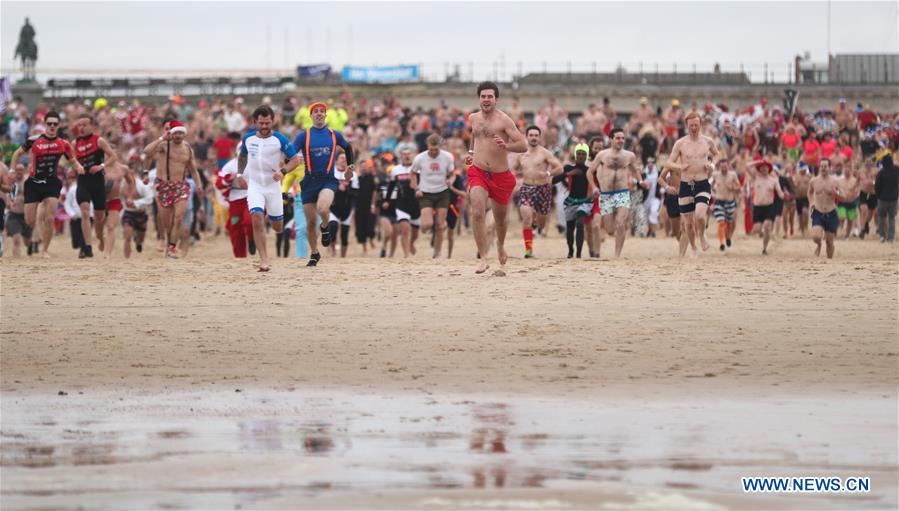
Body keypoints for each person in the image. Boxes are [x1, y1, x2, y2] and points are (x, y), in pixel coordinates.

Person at [463, 81, 527, 273]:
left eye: (490, 96)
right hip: (479, 172)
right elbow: (474, 136)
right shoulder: (473, 118)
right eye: (483, 96)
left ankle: (500, 245)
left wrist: (506, 146)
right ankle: (483, 257)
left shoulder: (504, 120)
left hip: (500, 176)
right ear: (479, 98)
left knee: (500, 220)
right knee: (477, 212)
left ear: (496, 99)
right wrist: (471, 152)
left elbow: (523, 145)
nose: (486, 99)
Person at [10, 111, 84, 257]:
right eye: (49, 123)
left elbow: (72, 160)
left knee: (50, 218)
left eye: (55, 124)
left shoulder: (63, 144)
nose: (52, 126)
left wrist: (79, 167)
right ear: (45, 124)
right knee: (29, 220)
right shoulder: (33, 140)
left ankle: (45, 250)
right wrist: (12, 170)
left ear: (58, 125)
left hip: (51, 182)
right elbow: (17, 153)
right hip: (33, 182)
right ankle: (34, 237)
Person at [237, 105, 301, 271]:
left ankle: (266, 218)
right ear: (255, 122)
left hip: (273, 187)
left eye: (267, 123)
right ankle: (264, 260)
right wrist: (239, 175)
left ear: (273, 121)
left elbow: (295, 160)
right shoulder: (248, 138)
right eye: (261, 123)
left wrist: (282, 171)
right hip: (255, 186)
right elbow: (242, 156)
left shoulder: (280, 139)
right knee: (257, 217)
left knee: (277, 227)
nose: (264, 126)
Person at [293, 102, 355, 267]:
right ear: (311, 116)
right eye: (316, 111)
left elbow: (348, 148)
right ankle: (314, 253)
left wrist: (350, 166)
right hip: (309, 181)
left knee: (322, 208)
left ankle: (325, 227)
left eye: (322, 111)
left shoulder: (334, 134)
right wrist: (289, 161)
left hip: (328, 179)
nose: (319, 113)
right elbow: (291, 152)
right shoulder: (303, 136)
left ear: (326, 115)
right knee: (310, 223)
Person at [142, 120, 203, 259]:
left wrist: (199, 185)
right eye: (176, 133)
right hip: (164, 186)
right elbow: (147, 152)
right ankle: (167, 243)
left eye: (181, 133)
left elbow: (193, 170)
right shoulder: (164, 145)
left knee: (179, 218)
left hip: (181, 186)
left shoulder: (188, 148)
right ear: (172, 133)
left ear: (184, 134)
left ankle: (172, 248)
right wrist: (162, 138)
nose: (178, 136)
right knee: (167, 223)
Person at [664, 111, 719, 256]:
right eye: (691, 126)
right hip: (686, 184)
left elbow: (717, 154)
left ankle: (702, 235)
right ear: (686, 126)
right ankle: (693, 247)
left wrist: (712, 165)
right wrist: (679, 167)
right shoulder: (680, 143)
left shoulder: (708, 141)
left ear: (700, 124)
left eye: (696, 125)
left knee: (700, 216)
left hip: (702, 182)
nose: (694, 128)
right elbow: (669, 162)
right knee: (688, 224)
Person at [589, 129, 641, 258]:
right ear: (611, 140)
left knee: (620, 223)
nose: (621, 140)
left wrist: (641, 181)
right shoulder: (602, 155)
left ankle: (617, 255)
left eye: (622, 138)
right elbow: (589, 172)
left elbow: (635, 170)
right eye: (618, 138)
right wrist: (594, 187)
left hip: (622, 192)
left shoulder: (629, 155)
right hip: (606, 195)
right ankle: (614, 234)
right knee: (610, 230)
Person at [511, 126, 563, 258]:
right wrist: (516, 180)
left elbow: (559, 168)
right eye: (531, 135)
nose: (533, 138)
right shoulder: (521, 154)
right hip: (527, 188)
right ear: (527, 137)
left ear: (539, 137)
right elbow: (514, 169)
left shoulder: (545, 153)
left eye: (536, 135)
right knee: (526, 219)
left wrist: (547, 173)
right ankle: (528, 251)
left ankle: (537, 224)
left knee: (542, 223)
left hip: (543, 189)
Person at [72, 113, 118, 258]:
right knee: (85, 212)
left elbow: (113, 156)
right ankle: (87, 246)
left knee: (99, 217)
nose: (81, 128)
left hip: (97, 182)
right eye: (79, 125)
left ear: (92, 125)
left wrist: (101, 166)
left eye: (84, 125)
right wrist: (76, 167)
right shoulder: (75, 143)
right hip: (83, 181)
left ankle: (100, 237)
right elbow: (72, 160)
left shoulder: (99, 140)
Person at [411, 133, 457, 258]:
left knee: (440, 225)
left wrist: (451, 180)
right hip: (426, 192)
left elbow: (452, 174)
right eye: (431, 149)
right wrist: (416, 188)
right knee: (427, 225)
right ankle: (422, 227)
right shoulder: (420, 158)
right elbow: (413, 173)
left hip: (442, 192)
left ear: (440, 147)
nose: (433, 152)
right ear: (427, 146)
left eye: (436, 149)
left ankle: (437, 253)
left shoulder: (447, 157)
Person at [216, 156, 254, 258]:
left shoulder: (256, 162)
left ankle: (252, 239)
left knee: (249, 221)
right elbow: (219, 183)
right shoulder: (229, 166)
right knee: (236, 228)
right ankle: (240, 257)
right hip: (235, 199)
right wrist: (228, 179)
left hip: (252, 196)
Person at [560, 144, 593, 258]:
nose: (580, 156)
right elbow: (556, 180)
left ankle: (579, 253)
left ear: (586, 156)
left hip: (585, 202)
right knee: (570, 228)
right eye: (578, 153)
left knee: (580, 223)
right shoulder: (568, 168)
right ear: (575, 155)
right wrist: (569, 174)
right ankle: (571, 251)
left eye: (583, 154)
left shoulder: (589, 171)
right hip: (571, 201)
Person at [746, 158, 784, 255]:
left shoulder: (774, 180)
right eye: (762, 167)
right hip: (758, 207)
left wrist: (783, 195)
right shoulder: (756, 178)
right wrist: (758, 162)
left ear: (769, 169)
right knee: (757, 229)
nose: (764, 169)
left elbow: (779, 192)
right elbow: (747, 166)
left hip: (769, 207)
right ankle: (763, 234)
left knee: (767, 226)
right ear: (759, 169)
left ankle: (764, 248)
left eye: (765, 167)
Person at [808, 158, 840, 257]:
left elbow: (842, 194)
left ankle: (829, 261)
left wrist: (837, 193)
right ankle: (819, 245)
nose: (823, 168)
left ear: (829, 167)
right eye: (821, 166)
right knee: (816, 236)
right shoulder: (814, 181)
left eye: (825, 166)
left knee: (829, 242)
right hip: (818, 211)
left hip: (831, 212)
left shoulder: (835, 181)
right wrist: (811, 202)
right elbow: (809, 193)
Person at [121, 167, 154, 258]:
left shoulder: (142, 185)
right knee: (127, 237)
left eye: (131, 174)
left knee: (141, 237)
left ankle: (138, 242)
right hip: (128, 213)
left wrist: (136, 203)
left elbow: (150, 199)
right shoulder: (122, 185)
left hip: (140, 213)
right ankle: (126, 259)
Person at [711, 158, 741, 251]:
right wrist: (713, 193)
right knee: (721, 222)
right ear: (719, 167)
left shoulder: (733, 175)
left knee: (729, 222)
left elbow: (739, 187)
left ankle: (728, 237)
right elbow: (709, 184)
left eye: (725, 166)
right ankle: (721, 243)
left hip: (730, 202)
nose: (724, 168)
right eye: (722, 167)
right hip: (719, 202)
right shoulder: (715, 175)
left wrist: (733, 188)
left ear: (728, 166)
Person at [4, 164, 33, 257]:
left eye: (21, 170)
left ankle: (31, 245)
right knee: (16, 239)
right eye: (17, 170)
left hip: (26, 215)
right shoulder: (10, 181)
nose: (19, 172)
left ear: (24, 170)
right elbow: (6, 193)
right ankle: (16, 261)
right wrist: (8, 203)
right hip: (14, 215)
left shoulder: (28, 181)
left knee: (27, 242)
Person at [874, 151, 897, 243]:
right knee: (892, 218)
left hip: (882, 199)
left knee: (881, 217)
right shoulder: (897, 170)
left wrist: (878, 196)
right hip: (893, 199)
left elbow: (877, 186)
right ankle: (891, 237)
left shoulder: (881, 173)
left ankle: (882, 236)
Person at [836, 165, 861, 240]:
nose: (847, 172)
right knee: (842, 217)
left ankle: (846, 236)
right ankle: (840, 224)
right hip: (842, 202)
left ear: (851, 171)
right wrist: (838, 194)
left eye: (848, 170)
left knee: (850, 220)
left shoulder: (854, 180)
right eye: (845, 170)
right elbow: (837, 190)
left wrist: (856, 195)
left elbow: (858, 189)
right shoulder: (840, 181)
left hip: (851, 202)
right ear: (844, 171)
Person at [858, 160, 878, 239]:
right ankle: (862, 230)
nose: (868, 164)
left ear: (872, 164)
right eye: (867, 163)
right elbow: (857, 182)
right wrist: (854, 189)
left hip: (873, 194)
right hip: (864, 193)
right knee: (864, 210)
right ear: (864, 163)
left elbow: (878, 181)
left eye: (869, 163)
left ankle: (866, 223)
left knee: (871, 213)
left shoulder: (875, 171)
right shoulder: (861, 171)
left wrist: (874, 182)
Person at [793, 162, 813, 237]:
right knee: (800, 215)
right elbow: (794, 186)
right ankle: (801, 229)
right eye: (802, 169)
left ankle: (805, 227)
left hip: (806, 197)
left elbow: (813, 185)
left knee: (805, 211)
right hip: (798, 198)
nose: (803, 170)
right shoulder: (796, 176)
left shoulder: (809, 176)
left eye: (805, 169)